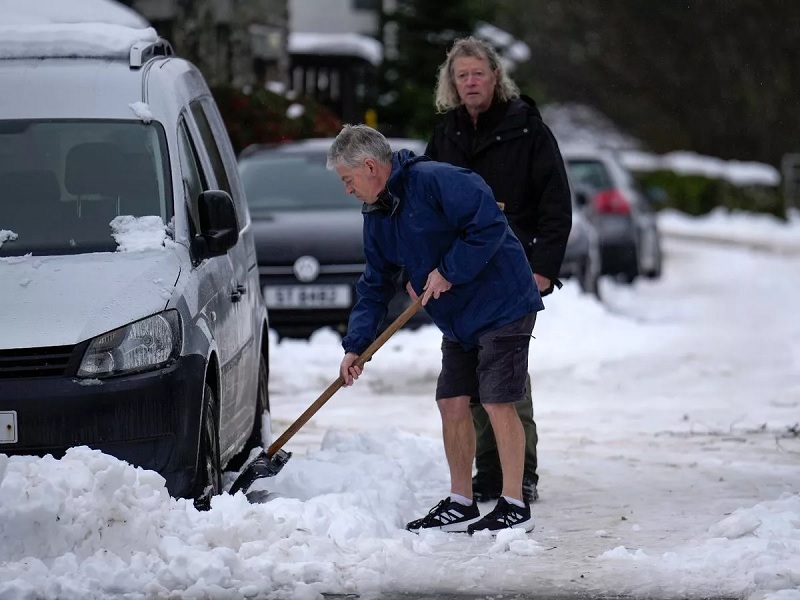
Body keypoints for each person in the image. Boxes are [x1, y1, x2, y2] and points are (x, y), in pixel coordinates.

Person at [328, 124, 543, 534]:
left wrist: (448, 270)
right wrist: (357, 346)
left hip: (502, 301)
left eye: (347, 179)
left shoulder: (434, 181)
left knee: (497, 399)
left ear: (371, 166)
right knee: (452, 401)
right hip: (458, 315)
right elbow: (375, 283)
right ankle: (462, 500)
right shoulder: (377, 215)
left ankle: (514, 503)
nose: (347, 190)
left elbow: (488, 224)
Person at [425, 36, 573, 505]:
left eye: (478, 74)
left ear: (495, 78)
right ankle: (488, 472)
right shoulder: (445, 135)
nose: (470, 82)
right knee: (470, 381)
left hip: (515, 268)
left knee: (507, 381)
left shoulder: (526, 128)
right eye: (461, 75)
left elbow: (556, 202)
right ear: (452, 83)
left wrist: (543, 269)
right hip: (462, 273)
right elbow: (426, 205)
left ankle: (517, 474)